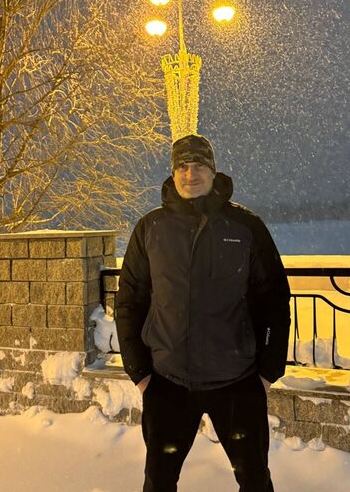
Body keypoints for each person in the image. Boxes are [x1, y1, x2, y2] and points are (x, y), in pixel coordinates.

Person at [116, 134, 291, 492]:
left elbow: (274, 299)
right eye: (182, 166)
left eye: (198, 166)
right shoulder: (151, 228)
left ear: (213, 171)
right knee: (159, 482)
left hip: (237, 382)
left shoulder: (245, 227)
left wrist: (268, 370)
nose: (190, 174)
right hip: (168, 382)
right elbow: (129, 301)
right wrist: (139, 371)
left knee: (255, 480)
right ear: (173, 173)